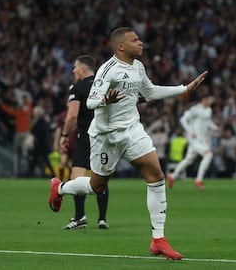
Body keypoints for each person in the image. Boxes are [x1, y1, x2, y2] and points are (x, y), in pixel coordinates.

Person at [48, 26, 208, 260]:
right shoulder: (108, 70)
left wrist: (184, 89)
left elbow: (150, 92)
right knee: (96, 187)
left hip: (132, 130)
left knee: (156, 175)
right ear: (121, 46)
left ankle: (158, 240)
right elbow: (91, 102)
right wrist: (105, 99)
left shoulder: (138, 67)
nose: (141, 42)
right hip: (106, 137)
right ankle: (60, 188)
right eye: (135, 40)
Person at [58, 55, 110, 230]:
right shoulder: (104, 84)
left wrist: (64, 135)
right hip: (105, 136)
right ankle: (102, 219)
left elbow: (72, 115)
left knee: (77, 176)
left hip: (86, 136)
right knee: (101, 177)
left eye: (75, 67)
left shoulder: (77, 87)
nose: (73, 71)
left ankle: (79, 216)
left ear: (83, 69)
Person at [167, 95, 218, 190]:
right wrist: (190, 131)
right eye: (208, 99)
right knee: (208, 154)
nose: (210, 101)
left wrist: (215, 128)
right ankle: (198, 180)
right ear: (203, 100)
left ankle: (172, 176)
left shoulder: (208, 110)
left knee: (188, 160)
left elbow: (208, 122)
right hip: (194, 139)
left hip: (201, 139)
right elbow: (183, 120)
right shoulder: (196, 109)